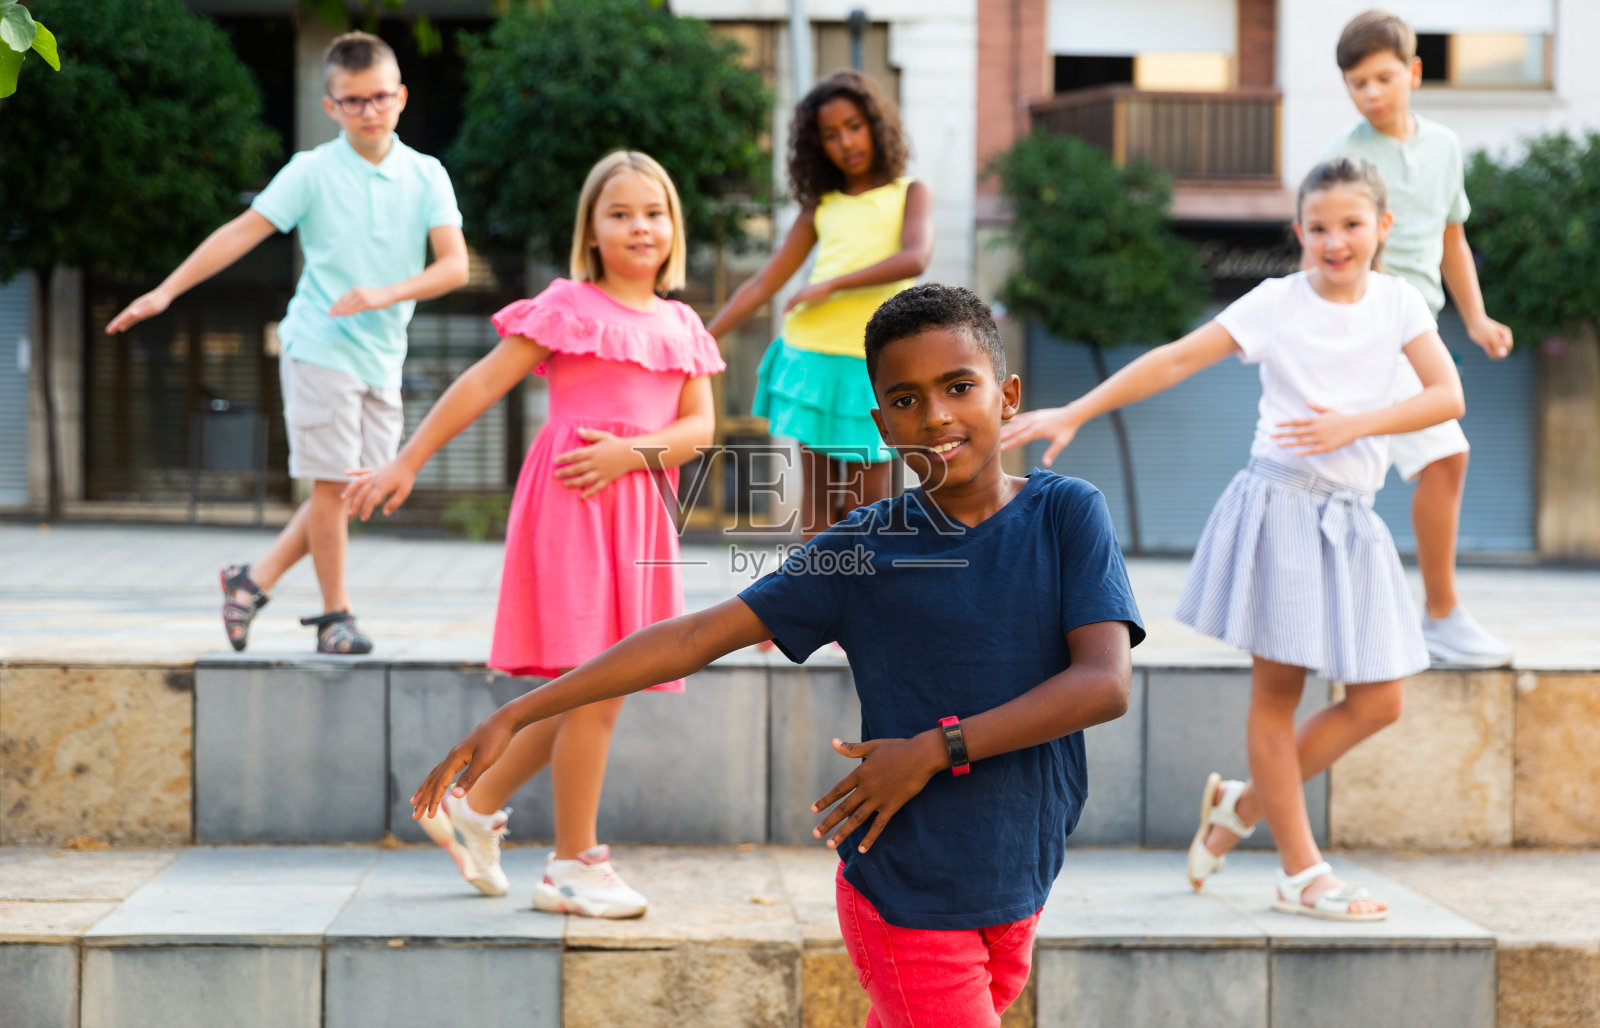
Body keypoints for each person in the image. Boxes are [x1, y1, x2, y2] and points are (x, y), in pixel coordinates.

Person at [411, 283, 1142, 1025]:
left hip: (1020, 877)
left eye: (959, 387)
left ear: (1008, 394)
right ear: (880, 423)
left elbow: (1103, 684)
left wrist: (934, 749)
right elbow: (695, 636)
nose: (937, 416)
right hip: (908, 890)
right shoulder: (861, 549)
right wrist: (523, 709)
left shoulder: (1065, 514)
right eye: (906, 399)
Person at [1003, 158, 1465, 921]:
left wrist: (1356, 424)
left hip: (1353, 517)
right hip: (1282, 505)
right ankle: (1300, 873)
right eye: (1318, 227)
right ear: (1299, 233)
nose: (1335, 241)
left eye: (1351, 225)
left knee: (1381, 700)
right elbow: (1179, 357)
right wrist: (1076, 410)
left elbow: (1445, 393)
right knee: (1277, 698)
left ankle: (1243, 805)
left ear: (1382, 228)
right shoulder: (1278, 301)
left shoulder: (1400, 302)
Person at [345, 151, 723, 918]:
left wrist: (631, 453)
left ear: (673, 227)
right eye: (619, 213)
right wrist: (408, 459)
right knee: (595, 688)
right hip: (573, 511)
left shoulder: (683, 324)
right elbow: (482, 381)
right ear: (591, 229)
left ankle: (477, 808)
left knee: (589, 690)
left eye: (652, 212)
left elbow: (700, 429)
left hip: (639, 515)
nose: (638, 226)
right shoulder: (567, 306)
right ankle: (573, 866)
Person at [104, 31, 469, 655]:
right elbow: (241, 232)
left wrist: (385, 293)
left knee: (359, 491)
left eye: (380, 97)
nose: (368, 111)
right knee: (332, 486)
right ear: (330, 106)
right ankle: (336, 619)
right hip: (318, 343)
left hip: (383, 351)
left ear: (401, 96)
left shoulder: (426, 174)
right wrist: (166, 292)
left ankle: (253, 580)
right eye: (352, 101)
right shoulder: (312, 172)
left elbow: (455, 267)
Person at [1321, 9, 1514, 667]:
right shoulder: (1346, 161)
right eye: (1356, 84)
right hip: (1373, 322)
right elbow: (1330, 254)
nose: (1370, 94)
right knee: (1437, 458)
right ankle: (1439, 614)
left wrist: (1479, 318)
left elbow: (1450, 238)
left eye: (1382, 79)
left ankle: (1428, 615)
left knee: (1385, 471)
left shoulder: (1443, 147)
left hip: (1420, 324)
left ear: (1414, 73)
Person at [706, 69, 934, 539]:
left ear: (876, 124)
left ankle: (872, 609)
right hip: (813, 357)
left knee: (873, 509)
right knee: (819, 508)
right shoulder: (820, 206)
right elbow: (763, 282)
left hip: (871, 366)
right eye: (830, 135)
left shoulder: (909, 193)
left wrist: (830, 286)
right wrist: (701, 341)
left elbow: (915, 256)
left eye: (854, 125)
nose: (846, 142)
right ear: (817, 147)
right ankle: (814, 607)